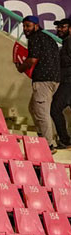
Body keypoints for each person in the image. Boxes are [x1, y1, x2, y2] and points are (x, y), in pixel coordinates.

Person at [16, 15, 61, 149]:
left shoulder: (35, 38)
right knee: (34, 108)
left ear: (36, 25)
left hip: (44, 80)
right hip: (53, 79)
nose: (25, 29)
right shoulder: (48, 38)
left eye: (28, 26)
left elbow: (32, 60)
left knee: (41, 111)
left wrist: (20, 67)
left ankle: (48, 144)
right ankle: (42, 136)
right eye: (24, 26)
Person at [51, 18, 71, 149]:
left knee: (55, 109)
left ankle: (65, 140)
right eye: (58, 27)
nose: (59, 29)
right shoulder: (66, 43)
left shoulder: (69, 42)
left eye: (63, 26)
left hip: (68, 82)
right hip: (67, 81)